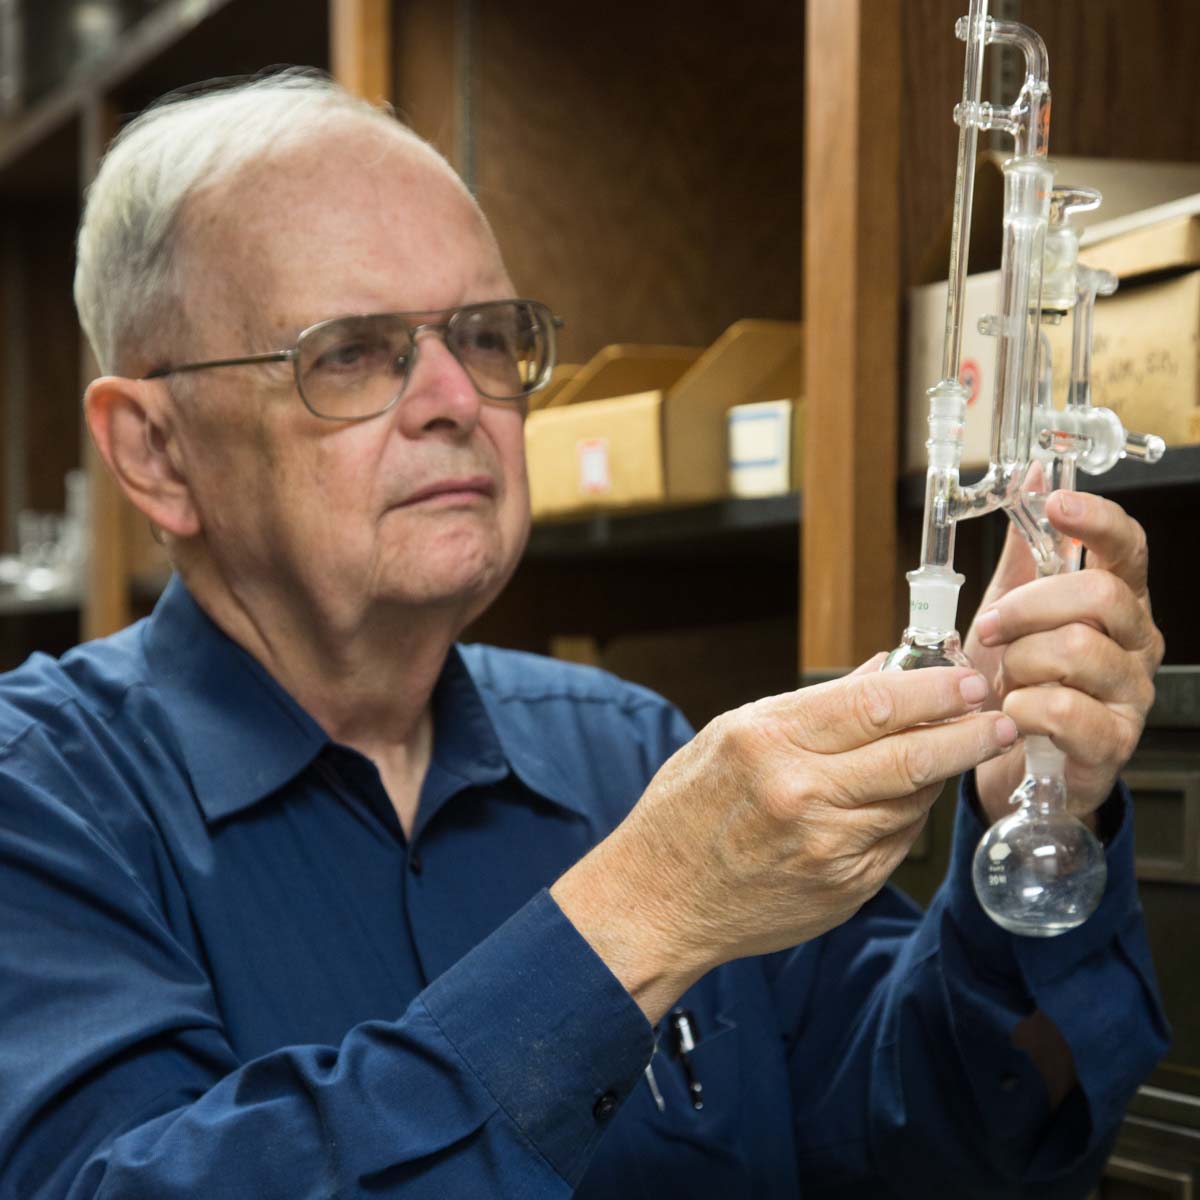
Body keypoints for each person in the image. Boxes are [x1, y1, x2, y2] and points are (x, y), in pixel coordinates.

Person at [0, 69, 1168, 1199]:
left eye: (488, 334)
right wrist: (641, 912)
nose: (458, 398)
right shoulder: (45, 801)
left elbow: (951, 1143)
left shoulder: (625, 748)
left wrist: (1038, 803)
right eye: (350, 353)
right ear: (155, 451)